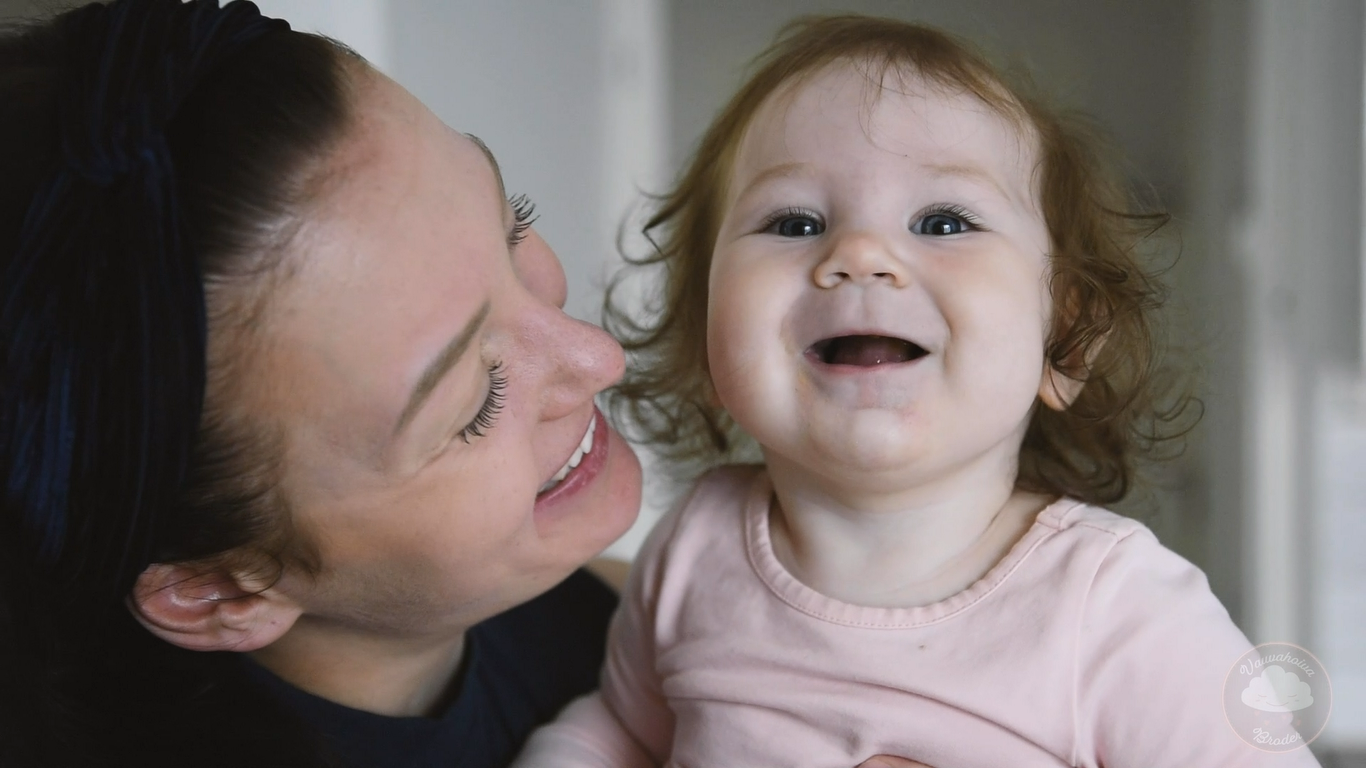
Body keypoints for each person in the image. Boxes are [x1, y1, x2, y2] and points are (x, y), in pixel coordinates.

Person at [0, 3, 930, 767]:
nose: (596, 356)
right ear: (216, 590)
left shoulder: (580, 615)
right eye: (475, 400)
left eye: (511, 226)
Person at [513, 15, 1324, 768]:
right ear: (706, 339)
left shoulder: (1116, 609)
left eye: (943, 222)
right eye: (795, 223)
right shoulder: (697, 547)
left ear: (1065, 342)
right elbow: (622, 731)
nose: (861, 254)